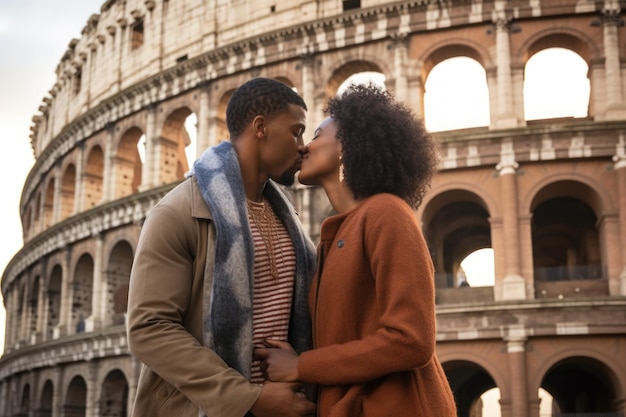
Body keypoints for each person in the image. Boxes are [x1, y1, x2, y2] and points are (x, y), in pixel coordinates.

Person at [255, 83, 458, 416]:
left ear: (349, 146)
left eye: (318, 135)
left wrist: (302, 366)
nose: (304, 148)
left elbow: (411, 340)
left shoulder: (386, 214)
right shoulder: (335, 235)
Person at [127, 77, 317, 417]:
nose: (303, 145)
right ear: (261, 127)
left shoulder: (288, 217)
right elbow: (149, 329)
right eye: (296, 131)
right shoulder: (178, 212)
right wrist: (250, 399)